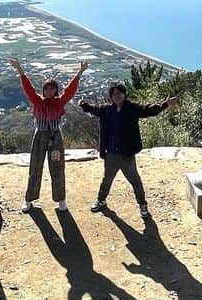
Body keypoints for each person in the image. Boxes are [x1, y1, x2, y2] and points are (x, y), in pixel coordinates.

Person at [80, 83, 178, 219]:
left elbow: (148, 110)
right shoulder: (107, 110)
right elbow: (93, 109)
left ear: (124, 94)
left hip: (127, 154)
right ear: (111, 96)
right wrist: (84, 105)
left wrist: (165, 104)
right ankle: (101, 200)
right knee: (107, 179)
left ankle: (143, 205)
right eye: (114, 94)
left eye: (119, 93)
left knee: (135, 181)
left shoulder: (132, 108)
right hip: (111, 154)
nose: (117, 96)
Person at [10, 56, 88, 213]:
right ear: (43, 90)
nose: (50, 91)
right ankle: (29, 199)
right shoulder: (37, 101)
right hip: (40, 136)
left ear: (56, 90)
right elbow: (28, 88)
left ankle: (61, 200)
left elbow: (70, 90)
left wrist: (80, 72)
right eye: (47, 88)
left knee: (58, 168)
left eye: (53, 88)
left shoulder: (60, 102)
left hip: (55, 137)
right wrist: (19, 69)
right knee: (35, 167)